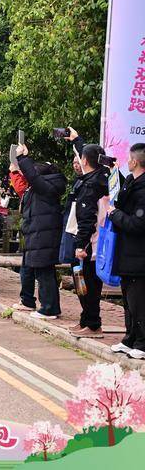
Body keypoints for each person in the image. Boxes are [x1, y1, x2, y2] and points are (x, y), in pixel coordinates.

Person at [11, 144, 67, 319]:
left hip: (43, 236)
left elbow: (33, 177)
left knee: (44, 272)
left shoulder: (47, 187)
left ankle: (49, 308)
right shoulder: (40, 187)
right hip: (37, 235)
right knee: (41, 271)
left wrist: (22, 158)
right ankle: (45, 305)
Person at [64, 134, 110, 339]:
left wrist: (80, 245)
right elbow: (92, 157)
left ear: (84, 160)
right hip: (90, 241)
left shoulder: (92, 185)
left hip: (89, 243)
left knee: (88, 284)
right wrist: (77, 140)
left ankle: (93, 323)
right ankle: (86, 319)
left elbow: (87, 218)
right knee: (81, 281)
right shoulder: (101, 176)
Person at [108, 143, 145, 359]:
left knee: (139, 302)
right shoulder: (132, 182)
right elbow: (123, 198)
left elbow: (138, 224)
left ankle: (142, 343)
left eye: (129, 158)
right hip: (127, 253)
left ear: (135, 161)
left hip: (138, 255)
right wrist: (115, 174)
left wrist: (115, 215)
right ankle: (130, 338)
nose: (127, 161)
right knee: (129, 301)